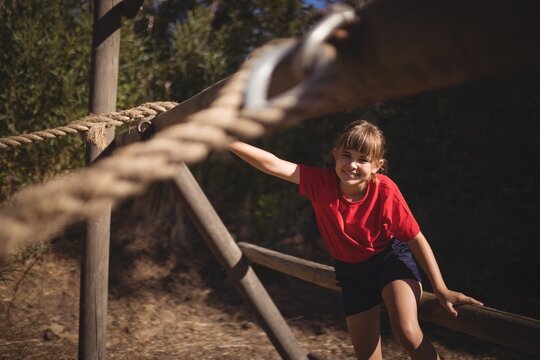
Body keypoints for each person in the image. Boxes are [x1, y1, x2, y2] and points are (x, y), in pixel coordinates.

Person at [228, 120, 483, 360]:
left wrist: (440, 288)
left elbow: (416, 238)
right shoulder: (320, 182)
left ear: (377, 166)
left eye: (363, 160)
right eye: (347, 155)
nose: (352, 165)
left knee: (406, 332)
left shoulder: (385, 190)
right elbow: (272, 163)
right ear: (335, 154)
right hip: (352, 273)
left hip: (390, 261)